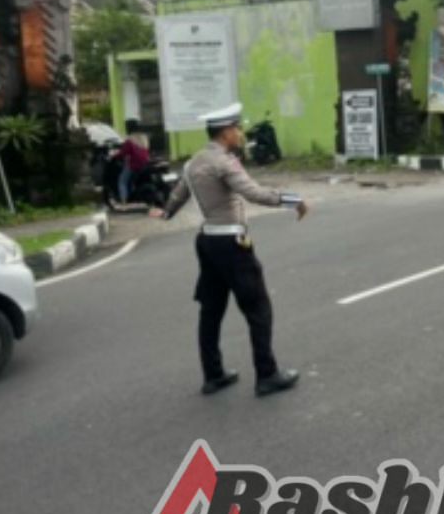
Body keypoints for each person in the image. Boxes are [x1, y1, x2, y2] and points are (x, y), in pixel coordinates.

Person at [151, 103, 309, 397]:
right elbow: (253, 193)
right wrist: (292, 200)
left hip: (207, 242)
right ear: (225, 132)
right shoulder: (224, 162)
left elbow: (178, 195)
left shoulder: (193, 163)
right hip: (231, 245)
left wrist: (165, 213)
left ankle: (213, 375)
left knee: (211, 310)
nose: (240, 133)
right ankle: (267, 375)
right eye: (236, 128)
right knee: (258, 308)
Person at [117, 119, 150, 206]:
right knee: (131, 179)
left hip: (134, 165)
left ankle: (124, 202)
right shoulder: (144, 138)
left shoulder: (130, 140)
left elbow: (123, 153)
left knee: (122, 181)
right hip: (145, 163)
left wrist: (114, 155)